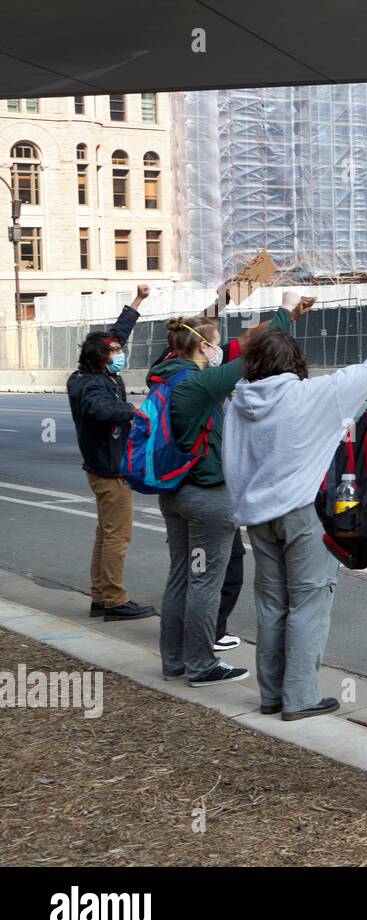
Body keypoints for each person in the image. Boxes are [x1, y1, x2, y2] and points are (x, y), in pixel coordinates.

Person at [222, 307, 367, 721]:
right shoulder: (314, 394)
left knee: (271, 604)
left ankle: (272, 694)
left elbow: (232, 462)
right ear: (295, 362)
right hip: (304, 513)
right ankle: (301, 697)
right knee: (309, 602)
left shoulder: (236, 403)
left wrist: (243, 505)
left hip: (257, 517)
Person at [150, 299, 301, 687]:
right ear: (203, 347)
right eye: (218, 343)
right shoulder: (198, 384)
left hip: (176, 493)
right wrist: (284, 311)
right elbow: (254, 355)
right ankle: (201, 665)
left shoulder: (166, 375)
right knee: (203, 581)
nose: (222, 350)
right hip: (206, 497)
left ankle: (174, 662)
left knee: (181, 577)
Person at [67, 285, 156, 622]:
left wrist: (138, 300)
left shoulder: (101, 370)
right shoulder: (88, 383)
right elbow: (101, 409)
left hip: (105, 467)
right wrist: (131, 410)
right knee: (118, 536)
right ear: (100, 357)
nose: (120, 353)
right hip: (109, 471)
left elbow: (119, 330)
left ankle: (101, 596)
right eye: (114, 351)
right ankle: (115, 600)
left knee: (105, 534)